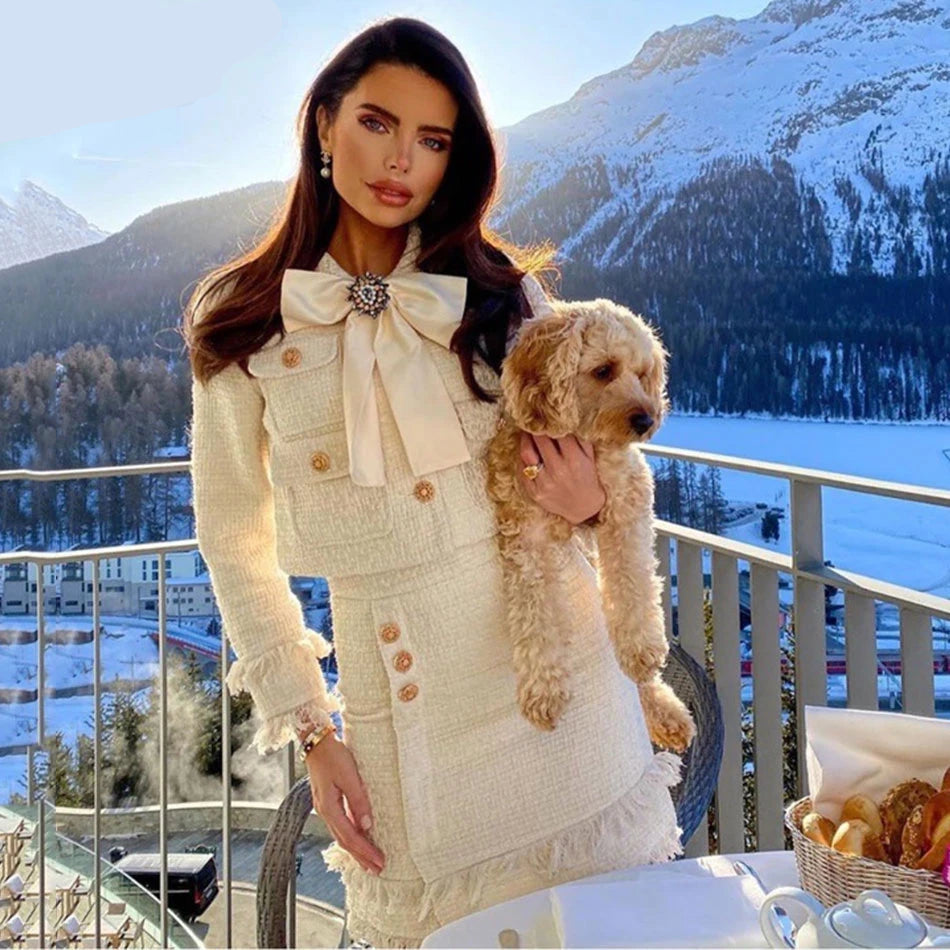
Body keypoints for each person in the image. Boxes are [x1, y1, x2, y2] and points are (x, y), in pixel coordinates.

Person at [184, 17, 683, 949]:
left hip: (568, 703)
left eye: (434, 140)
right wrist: (312, 730)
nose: (400, 161)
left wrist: (589, 506)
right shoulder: (244, 319)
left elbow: (610, 456)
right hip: (402, 727)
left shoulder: (503, 294)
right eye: (378, 123)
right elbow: (232, 539)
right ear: (325, 122)